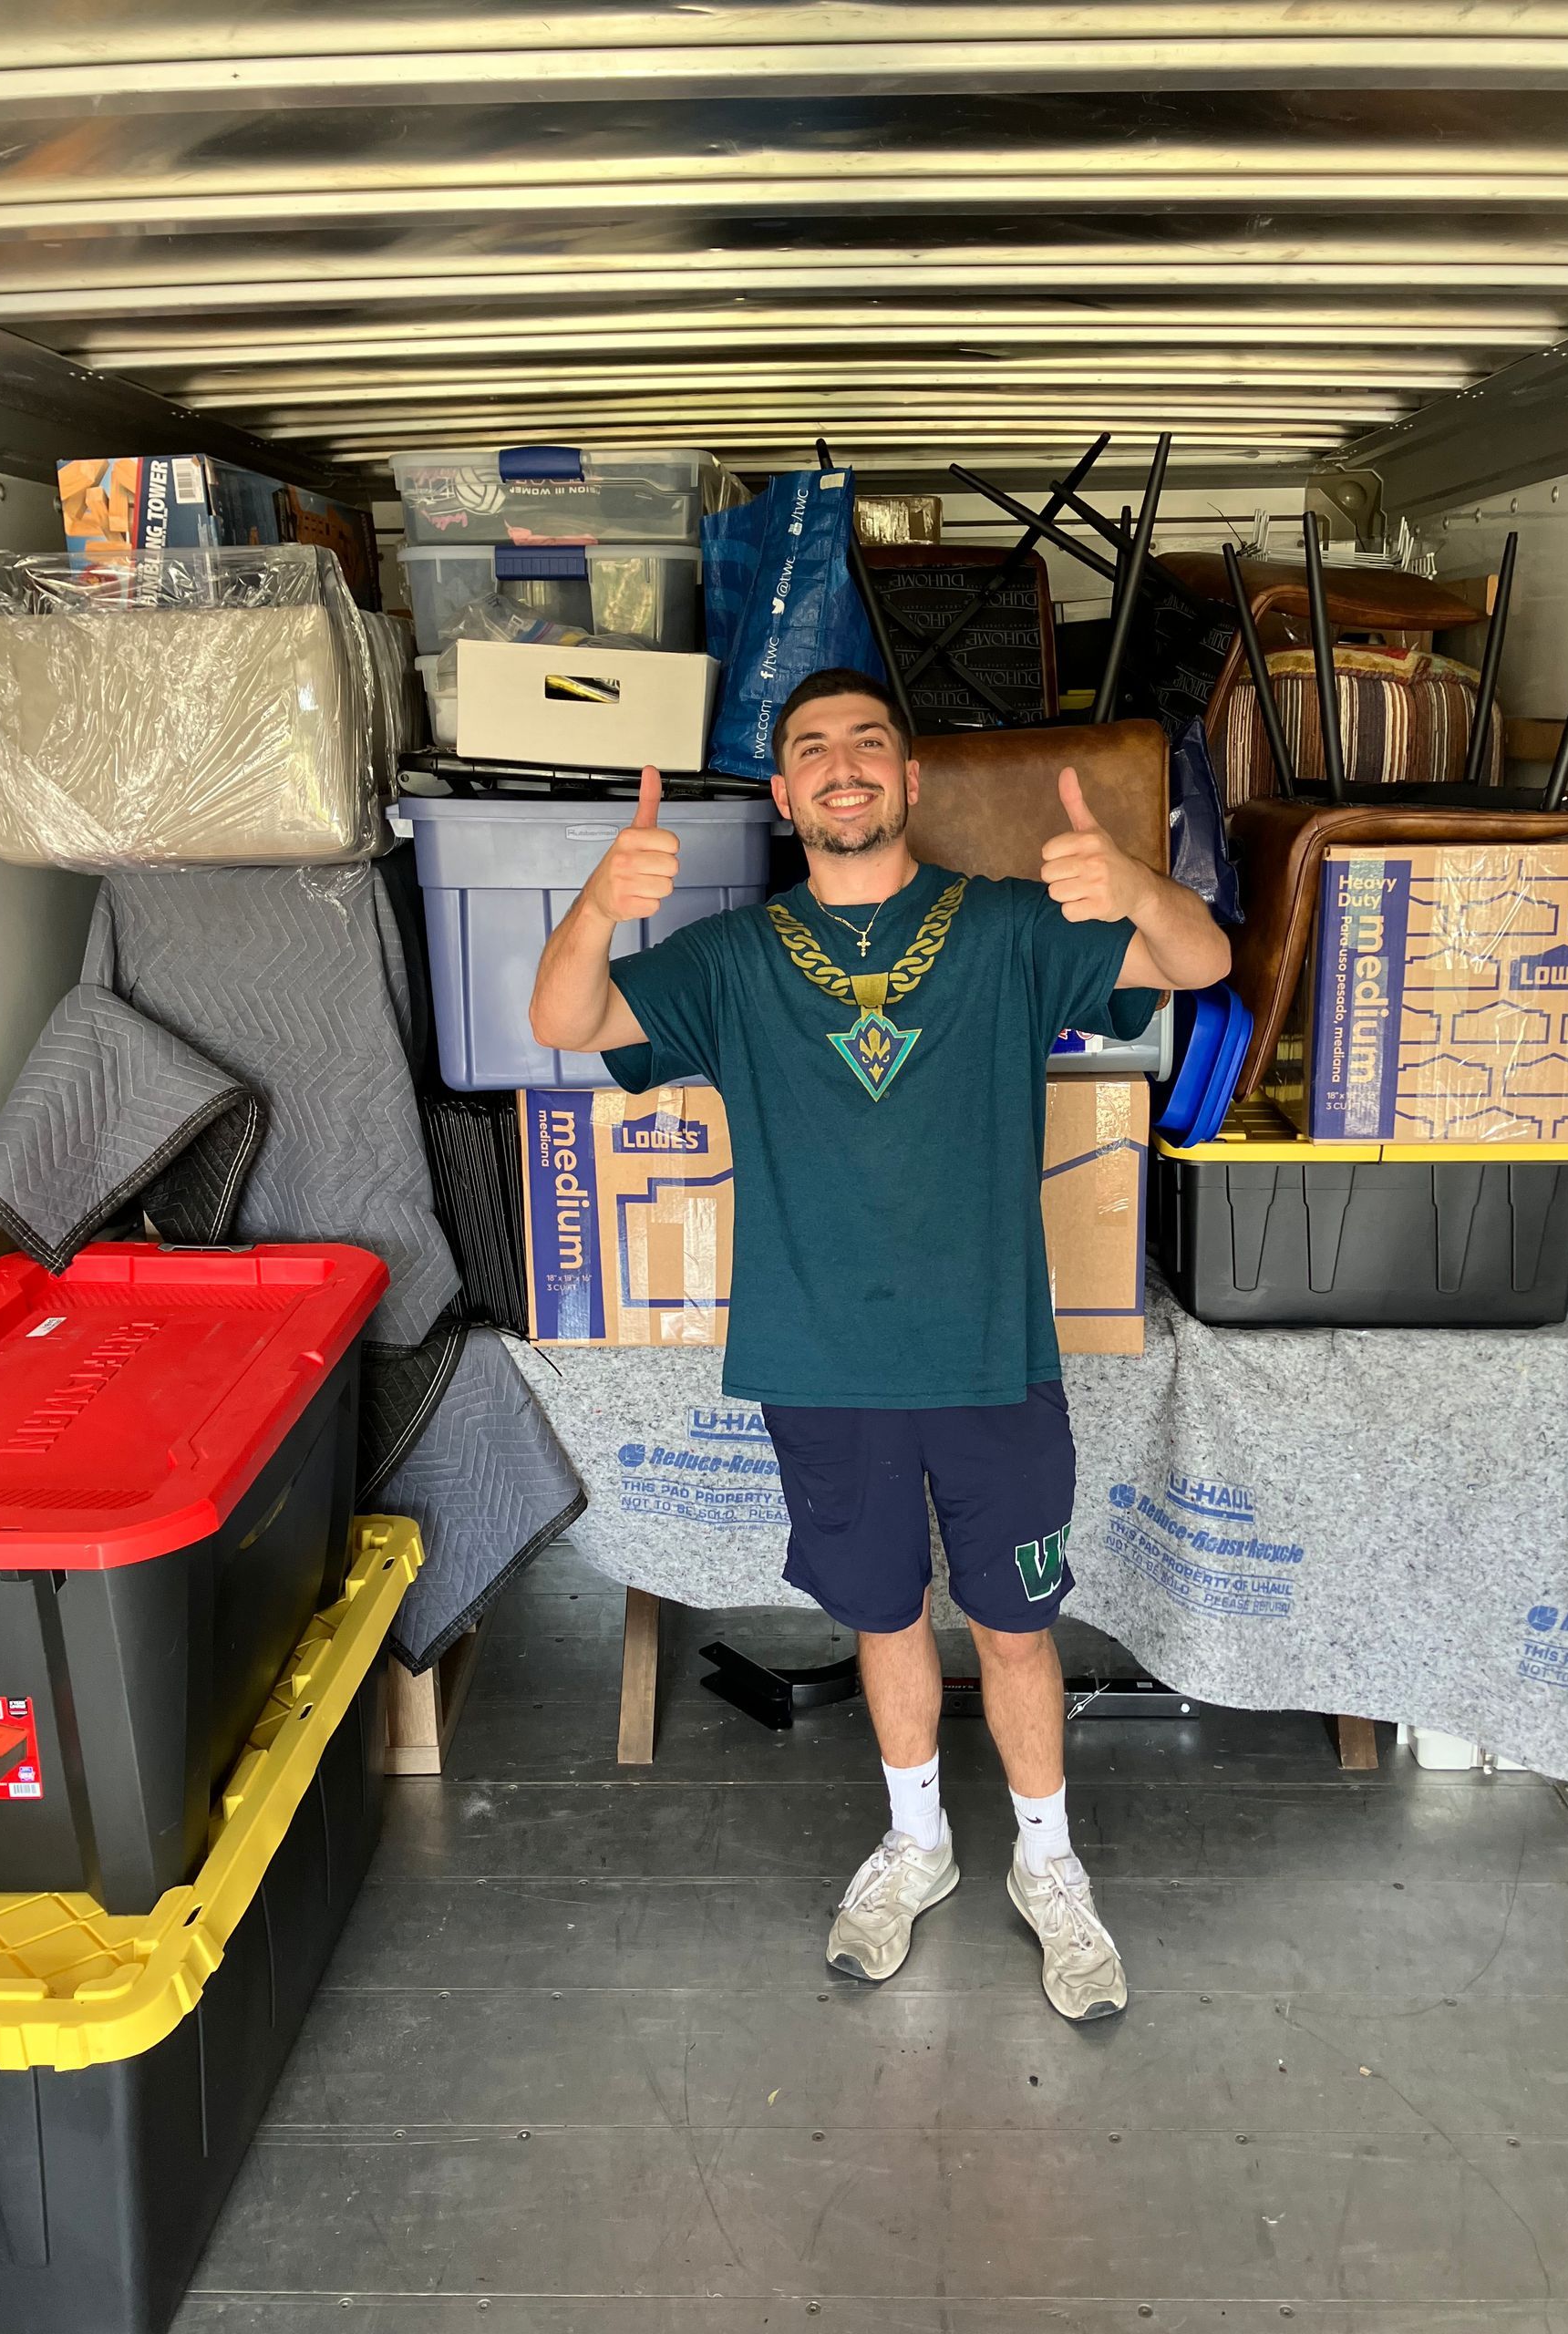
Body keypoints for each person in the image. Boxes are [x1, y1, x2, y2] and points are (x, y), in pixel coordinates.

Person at [530, 667, 1231, 2020]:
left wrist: (1135, 882)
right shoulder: (731, 963)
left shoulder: (1011, 930)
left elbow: (1197, 960)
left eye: (870, 745)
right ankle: (919, 1845)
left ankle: (1051, 1864)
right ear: (785, 796)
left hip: (990, 1359)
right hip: (818, 1366)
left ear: (911, 783)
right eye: (812, 752)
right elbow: (565, 1021)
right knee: (882, 1613)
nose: (843, 767)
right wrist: (598, 908)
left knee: (1017, 1627)